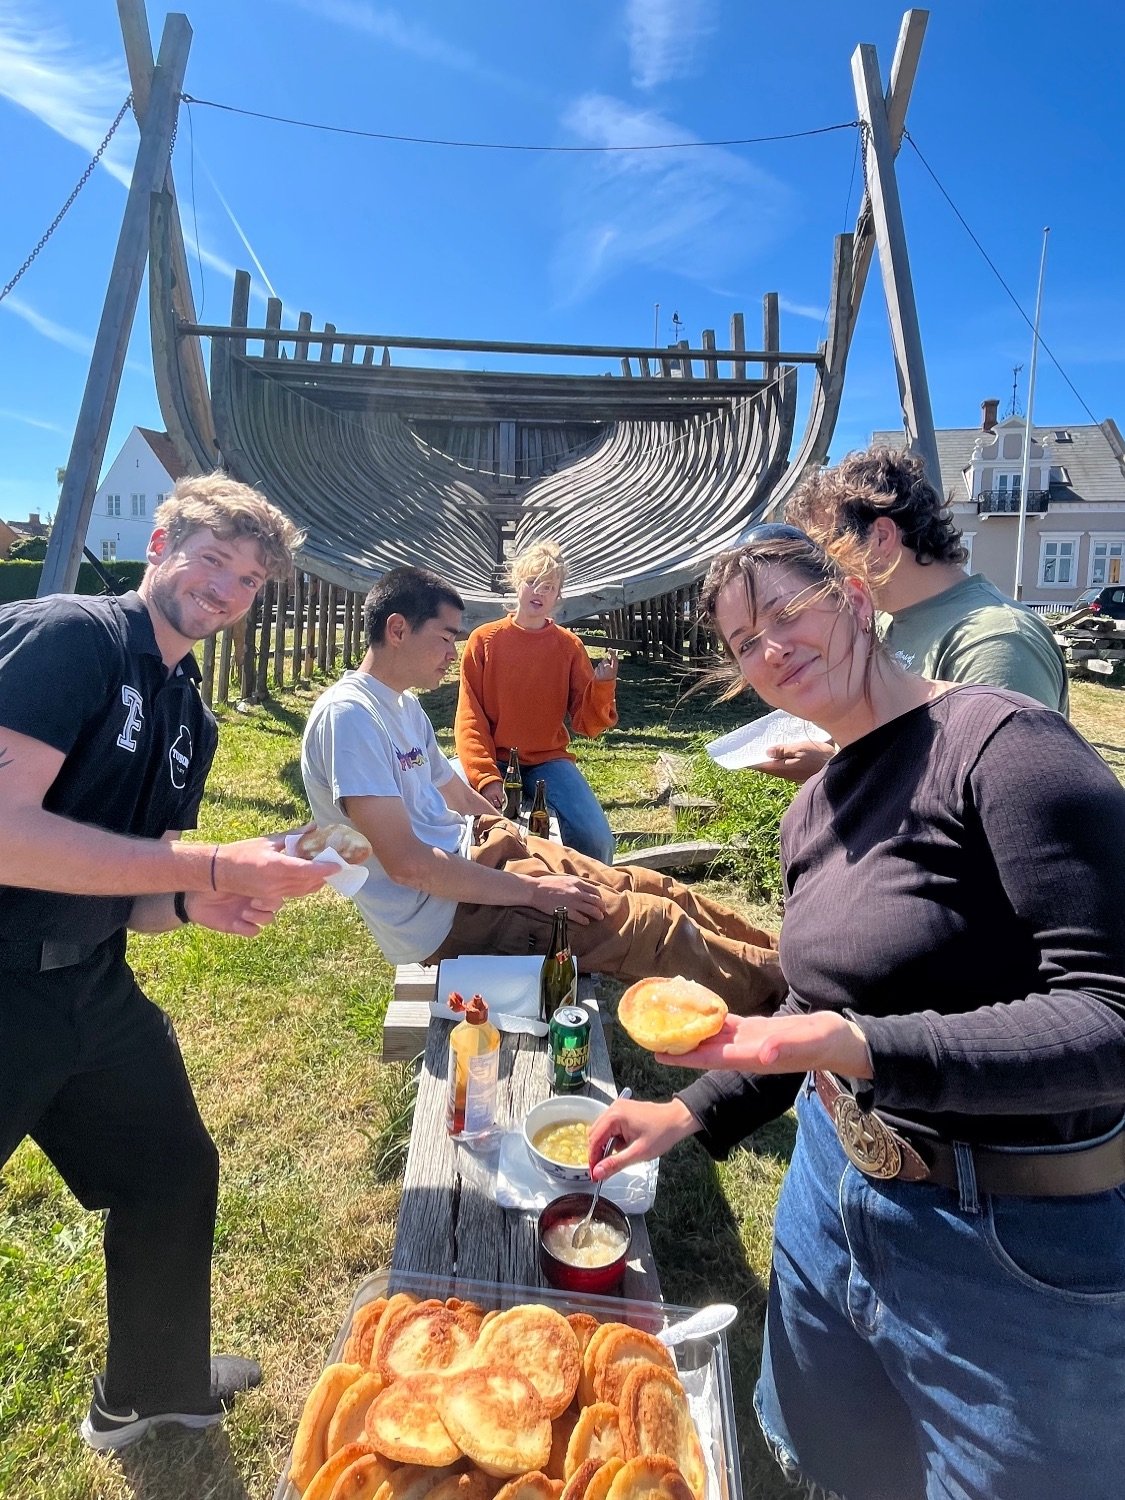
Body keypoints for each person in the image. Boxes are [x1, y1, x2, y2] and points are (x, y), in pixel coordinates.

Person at [589, 528, 1125, 1500]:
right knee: (836, 1471)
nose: (769, 650)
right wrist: (690, 1111)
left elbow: (1108, 1020)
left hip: (1010, 1242)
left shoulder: (1001, 745)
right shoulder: (813, 808)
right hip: (828, 1198)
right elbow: (814, 1004)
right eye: (745, 640)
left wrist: (861, 1046)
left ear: (849, 594)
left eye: (785, 612)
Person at [0, 474, 331, 1452]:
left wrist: (195, 899)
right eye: (211, 559)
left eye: (248, 579)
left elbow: (135, 900)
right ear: (158, 543)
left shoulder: (195, 718)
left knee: (171, 1170)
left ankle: (153, 1391)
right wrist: (216, 859)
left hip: (90, 982)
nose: (225, 590)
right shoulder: (73, 638)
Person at [300, 565, 784, 1013]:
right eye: (446, 637)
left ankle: (788, 959)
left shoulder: (402, 708)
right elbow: (409, 867)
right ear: (398, 629)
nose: (453, 651)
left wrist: (515, 835)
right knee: (657, 927)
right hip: (446, 915)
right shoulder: (350, 717)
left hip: (478, 859)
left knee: (654, 887)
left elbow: (452, 789)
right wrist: (533, 891)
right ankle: (800, 1000)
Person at [752, 445, 1068, 782]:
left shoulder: (996, 642)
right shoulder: (884, 619)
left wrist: (838, 767)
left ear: (882, 537)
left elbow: (1000, 797)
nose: (815, 572)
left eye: (823, 550)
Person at [455, 540, 617, 863]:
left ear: (558, 596)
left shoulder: (568, 647)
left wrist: (601, 686)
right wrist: (486, 778)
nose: (538, 592)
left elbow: (589, 724)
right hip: (494, 757)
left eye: (548, 586)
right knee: (446, 816)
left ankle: (590, 904)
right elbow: (469, 719)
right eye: (531, 582)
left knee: (598, 840)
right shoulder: (484, 641)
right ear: (517, 583)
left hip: (547, 760)